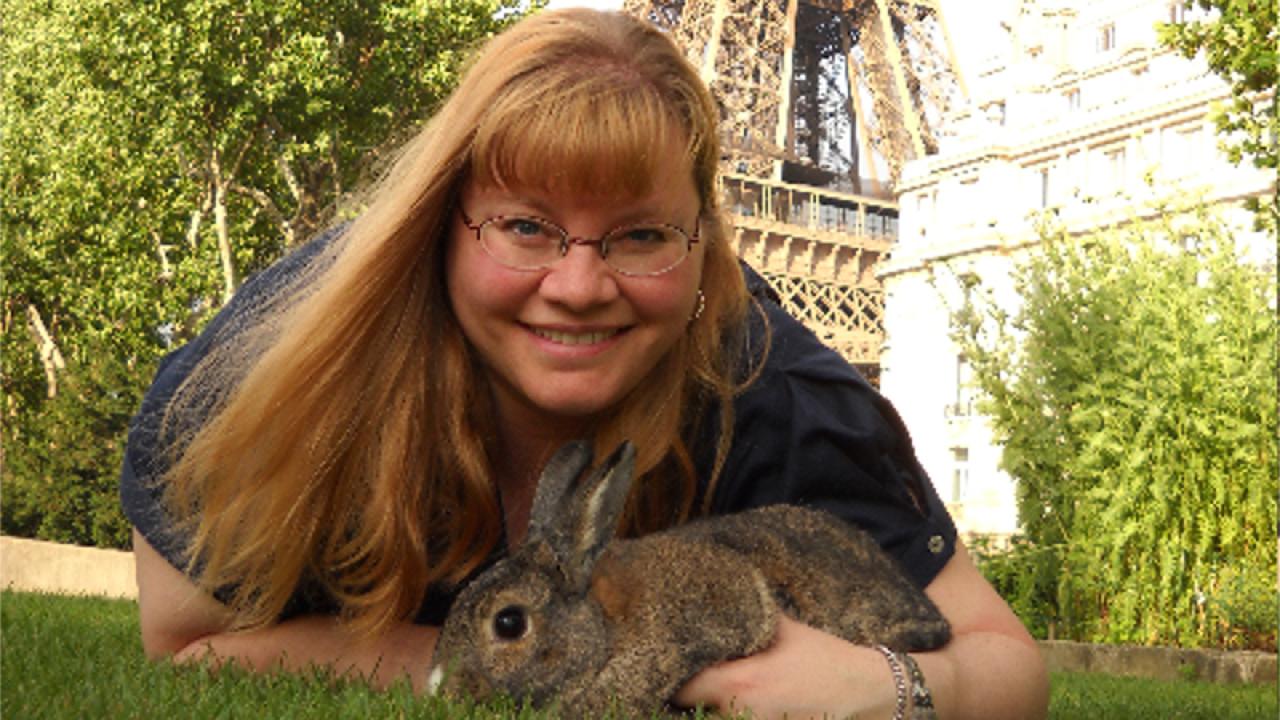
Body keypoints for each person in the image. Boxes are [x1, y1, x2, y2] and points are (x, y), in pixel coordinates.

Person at [122, 8, 1049, 719]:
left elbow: (1007, 666)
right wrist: (518, 674)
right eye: (525, 226)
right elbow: (186, 645)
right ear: (441, 225)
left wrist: (889, 688)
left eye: (641, 235)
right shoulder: (292, 352)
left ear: (704, 249)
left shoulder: (777, 392)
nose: (578, 287)